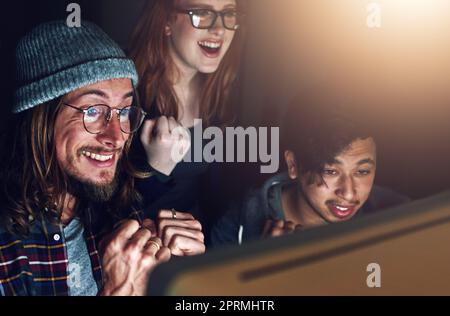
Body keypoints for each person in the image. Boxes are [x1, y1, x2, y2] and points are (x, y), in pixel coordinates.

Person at [0, 20, 204, 296]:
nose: (117, 137)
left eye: (124, 111)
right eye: (93, 111)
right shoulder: (7, 251)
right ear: (40, 118)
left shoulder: (118, 208)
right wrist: (119, 290)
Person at [210, 98, 410, 247]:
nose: (349, 193)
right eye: (330, 171)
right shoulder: (239, 224)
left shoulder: (397, 215)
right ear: (293, 165)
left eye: (362, 171)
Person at [128, 0, 247, 234]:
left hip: (189, 249)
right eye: (202, 13)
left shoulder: (218, 91)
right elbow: (101, 212)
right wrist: (158, 168)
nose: (219, 29)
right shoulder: (127, 93)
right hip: (135, 250)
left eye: (229, 14)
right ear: (166, 22)